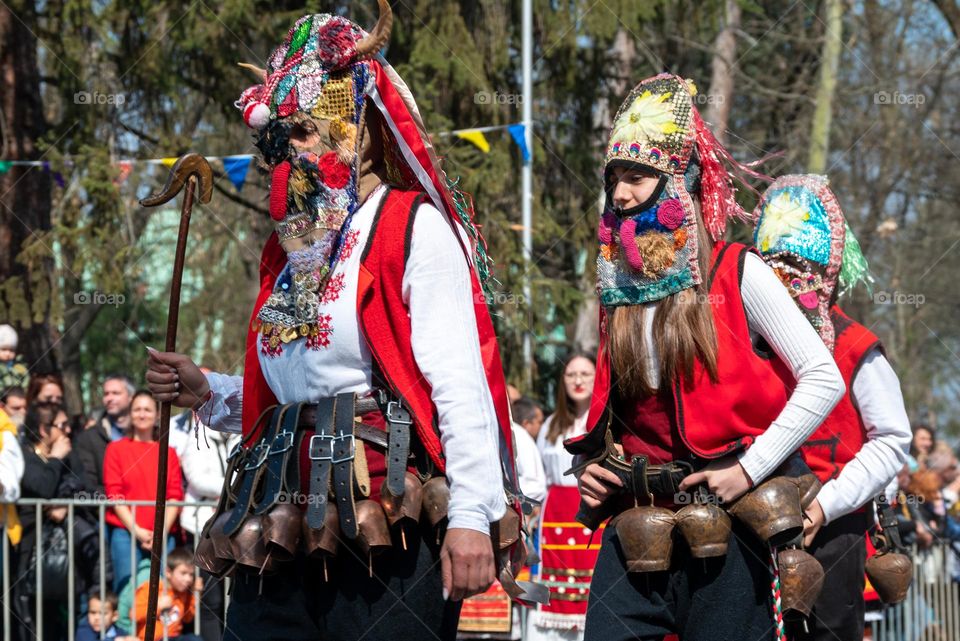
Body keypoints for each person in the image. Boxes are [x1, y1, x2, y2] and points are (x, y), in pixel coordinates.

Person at [145, 4, 525, 640]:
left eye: (302, 134)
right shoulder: (288, 250)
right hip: (278, 517)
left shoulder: (409, 227)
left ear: (361, 135)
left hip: (386, 523)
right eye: (276, 139)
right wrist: (209, 391)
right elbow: (296, 394)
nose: (281, 155)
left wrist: (469, 513)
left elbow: (458, 383)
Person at [565, 74, 845, 641]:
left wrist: (749, 467)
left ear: (680, 182)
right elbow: (613, 408)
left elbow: (823, 377)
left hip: (726, 530)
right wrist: (591, 464)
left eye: (636, 177)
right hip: (635, 519)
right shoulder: (616, 289)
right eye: (613, 178)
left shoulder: (737, 272)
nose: (619, 194)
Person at [752, 174, 912, 641]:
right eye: (772, 265)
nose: (784, 276)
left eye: (796, 262)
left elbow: (892, 441)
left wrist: (823, 507)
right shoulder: (746, 344)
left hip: (833, 530)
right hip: (752, 526)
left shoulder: (856, 346)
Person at [526, 352, 596, 640]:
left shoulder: (604, 423)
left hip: (594, 517)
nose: (578, 380)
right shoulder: (552, 425)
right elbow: (539, 476)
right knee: (550, 585)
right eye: (571, 375)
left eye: (585, 374)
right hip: (553, 520)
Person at [12, 402, 89, 641]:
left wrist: (63, 503)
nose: (68, 430)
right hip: (29, 549)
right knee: (31, 617)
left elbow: (82, 485)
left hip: (65, 552)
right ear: (44, 430)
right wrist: (55, 458)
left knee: (61, 618)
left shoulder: (70, 454)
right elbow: (43, 486)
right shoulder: (24, 455)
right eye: (61, 425)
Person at [103, 390, 182, 592]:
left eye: (147, 409)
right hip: (125, 532)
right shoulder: (115, 449)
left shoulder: (169, 452)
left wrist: (160, 532)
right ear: (130, 414)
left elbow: (174, 494)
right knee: (127, 592)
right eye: (137, 409)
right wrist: (137, 531)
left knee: (165, 593)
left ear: (157, 415)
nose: (142, 414)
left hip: (164, 533)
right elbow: (114, 493)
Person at [179, 423, 241, 641]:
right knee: (210, 598)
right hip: (202, 527)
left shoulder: (240, 434)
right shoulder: (198, 434)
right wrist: (235, 486)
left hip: (234, 526)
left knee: (232, 597)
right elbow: (197, 478)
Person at [75, 374, 135, 496]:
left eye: (116, 393)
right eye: (106, 394)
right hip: (106, 509)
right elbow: (89, 482)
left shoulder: (149, 434)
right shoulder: (88, 437)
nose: (109, 398)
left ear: (131, 397)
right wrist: (116, 505)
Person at [133, 547, 201, 641]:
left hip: (175, 637)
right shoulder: (151, 588)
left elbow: (187, 618)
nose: (188, 579)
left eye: (191, 574)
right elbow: (134, 614)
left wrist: (195, 594)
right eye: (183, 573)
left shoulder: (184, 592)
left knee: (195, 639)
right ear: (168, 572)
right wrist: (157, 606)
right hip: (153, 638)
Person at [0, 325, 28, 395]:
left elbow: (26, 384)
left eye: (11, 350)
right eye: (4, 349)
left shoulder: (19, 368)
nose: (8, 353)